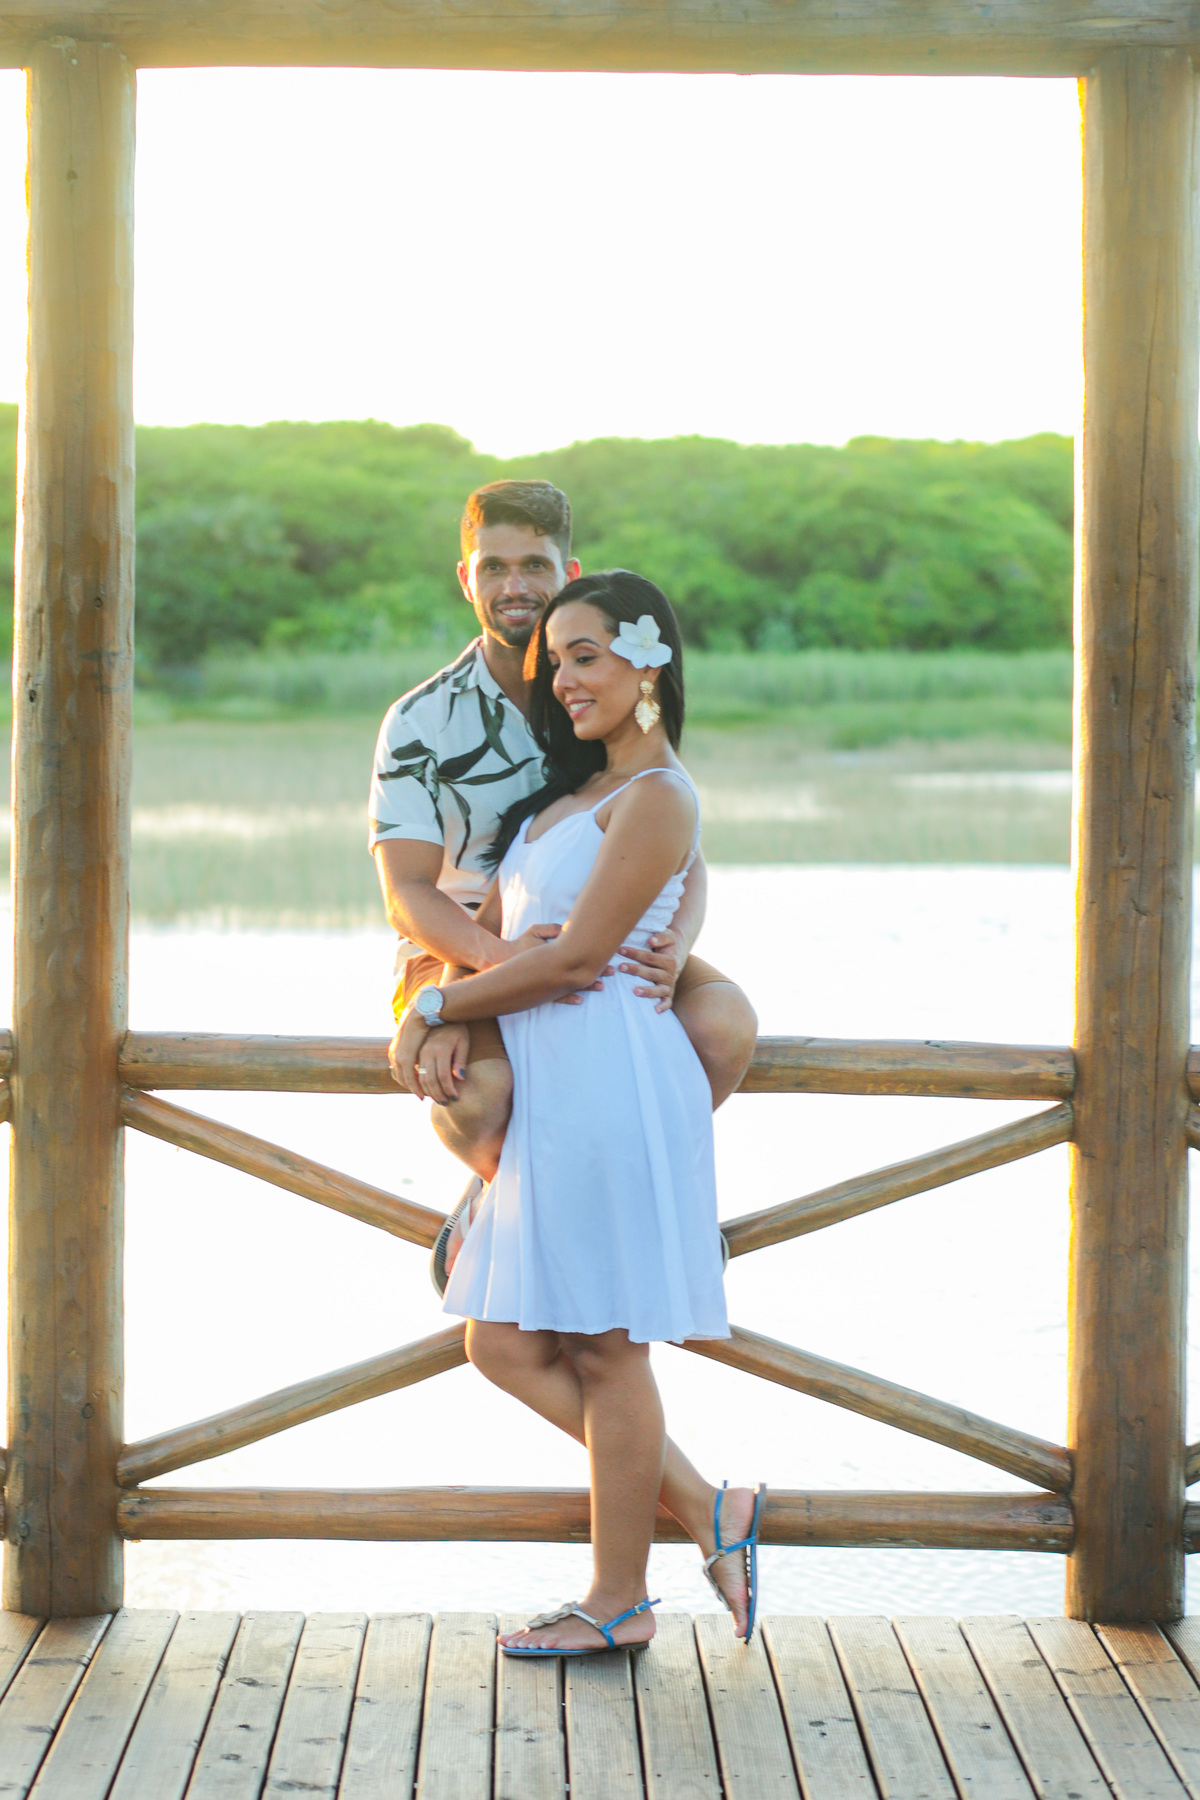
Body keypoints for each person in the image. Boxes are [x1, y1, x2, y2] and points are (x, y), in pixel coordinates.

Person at [390, 571, 764, 1656]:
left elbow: (578, 960)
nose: (564, 679)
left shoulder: (658, 795)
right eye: (556, 662)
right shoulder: (575, 792)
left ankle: (619, 1601)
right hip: (553, 1087)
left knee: (604, 1349)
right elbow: (498, 920)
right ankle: (705, 1508)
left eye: (586, 656)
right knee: (501, 1341)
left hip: (608, 1080)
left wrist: (437, 1008)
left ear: (649, 663)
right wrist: (445, 983)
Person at [369, 479, 758, 1275]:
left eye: (534, 566)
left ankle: (640, 1192)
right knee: (478, 1098)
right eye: (494, 567)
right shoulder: (419, 720)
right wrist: (495, 961)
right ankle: (511, 1202)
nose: (515, 586)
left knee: (723, 1025)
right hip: (460, 941)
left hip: (600, 929)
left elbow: (678, 842)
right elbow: (407, 895)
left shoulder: (600, 687)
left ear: (566, 571)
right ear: (466, 578)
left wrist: (679, 940)